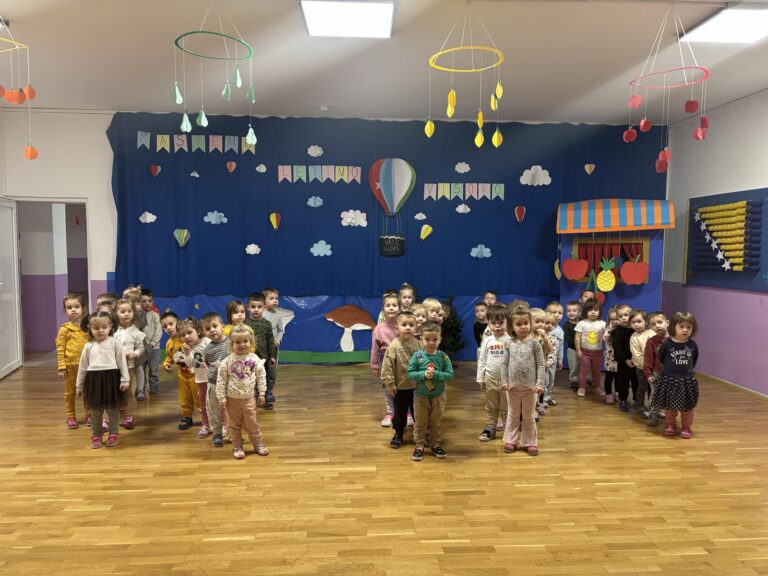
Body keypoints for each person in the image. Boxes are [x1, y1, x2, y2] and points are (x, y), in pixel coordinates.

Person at [76, 312, 130, 449]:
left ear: (110, 327)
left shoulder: (114, 343)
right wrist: (79, 386)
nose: (100, 330)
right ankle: (96, 435)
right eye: (96, 328)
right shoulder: (88, 346)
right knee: (95, 410)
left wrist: (125, 379)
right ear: (90, 328)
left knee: (112, 409)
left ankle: (113, 434)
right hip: (94, 381)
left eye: (104, 327)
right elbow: (82, 367)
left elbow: (122, 362)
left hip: (111, 379)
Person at [215, 325, 270, 459]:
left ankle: (258, 444)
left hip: (249, 399)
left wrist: (262, 393)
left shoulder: (255, 359)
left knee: (252, 424)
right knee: (234, 426)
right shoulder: (226, 362)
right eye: (237, 342)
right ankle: (237, 446)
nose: (242, 344)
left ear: (251, 342)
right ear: (231, 344)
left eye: (245, 341)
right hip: (231, 401)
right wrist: (221, 398)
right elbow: (221, 381)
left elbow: (261, 377)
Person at [501, 306, 545, 456]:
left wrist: (539, 383)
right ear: (512, 326)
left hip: (531, 387)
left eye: (526, 323)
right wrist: (504, 381)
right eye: (518, 324)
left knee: (529, 415)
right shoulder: (508, 343)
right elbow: (504, 364)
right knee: (513, 414)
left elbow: (540, 365)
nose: (523, 327)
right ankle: (511, 440)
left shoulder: (535, 343)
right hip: (512, 387)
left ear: (530, 323)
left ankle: (530, 442)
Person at [407, 321, 453, 461]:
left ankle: (435, 444)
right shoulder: (417, 356)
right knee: (420, 422)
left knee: (436, 422)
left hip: (438, 396)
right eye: (427, 339)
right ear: (421, 339)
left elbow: (450, 374)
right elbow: (410, 373)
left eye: (434, 339)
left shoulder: (443, 357)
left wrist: (437, 375)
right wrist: (423, 375)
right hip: (420, 396)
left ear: (440, 339)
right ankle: (419, 445)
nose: (431, 342)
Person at [650, 312, 699, 438]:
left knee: (687, 407)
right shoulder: (667, 344)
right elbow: (661, 358)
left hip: (686, 380)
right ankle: (670, 425)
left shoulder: (692, 345)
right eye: (681, 326)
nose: (685, 330)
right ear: (673, 327)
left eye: (688, 327)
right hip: (669, 380)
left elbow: (693, 360)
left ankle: (686, 427)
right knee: (670, 407)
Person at [380, 311, 421, 449]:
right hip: (400, 387)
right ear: (397, 328)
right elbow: (387, 366)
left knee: (418, 412)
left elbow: (424, 362)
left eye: (411, 325)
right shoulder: (394, 346)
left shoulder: (418, 345)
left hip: (417, 387)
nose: (408, 327)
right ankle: (398, 433)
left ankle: (420, 434)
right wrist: (390, 384)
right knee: (399, 413)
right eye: (404, 325)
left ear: (416, 328)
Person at [56, 293, 90, 429]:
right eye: (69, 308)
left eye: (76, 306)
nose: (73, 310)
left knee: (88, 390)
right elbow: (60, 348)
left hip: (88, 366)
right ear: (65, 310)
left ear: (84, 308)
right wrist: (61, 367)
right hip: (70, 366)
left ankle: (89, 414)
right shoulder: (65, 329)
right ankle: (70, 416)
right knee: (70, 392)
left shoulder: (88, 328)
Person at [476, 304, 510, 441]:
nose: (497, 326)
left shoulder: (511, 340)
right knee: (491, 406)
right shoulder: (488, 340)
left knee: (507, 407)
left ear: (507, 322)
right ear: (488, 323)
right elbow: (482, 359)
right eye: (493, 323)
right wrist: (480, 378)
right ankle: (490, 427)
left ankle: (509, 429)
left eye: (501, 322)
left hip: (507, 381)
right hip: (490, 379)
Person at [161, 311, 200, 430]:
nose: (168, 328)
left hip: (195, 374)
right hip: (182, 375)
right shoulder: (169, 343)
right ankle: (187, 417)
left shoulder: (185, 337)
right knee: (184, 398)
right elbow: (170, 356)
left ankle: (206, 417)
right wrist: (166, 363)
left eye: (170, 324)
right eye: (165, 326)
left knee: (199, 397)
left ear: (177, 323)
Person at [113, 298, 144, 429]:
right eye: (122, 311)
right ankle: (112, 417)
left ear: (133, 313)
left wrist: (135, 353)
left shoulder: (136, 332)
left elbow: (141, 348)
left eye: (129, 311)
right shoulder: (112, 331)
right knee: (113, 391)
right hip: (113, 367)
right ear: (115, 314)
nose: (126, 314)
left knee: (127, 392)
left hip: (128, 367)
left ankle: (128, 416)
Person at [371, 292, 400, 427]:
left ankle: (408, 412)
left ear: (399, 308)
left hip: (403, 362)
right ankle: (390, 413)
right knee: (389, 387)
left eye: (394, 305)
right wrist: (375, 366)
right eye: (388, 305)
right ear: (383, 310)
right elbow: (374, 349)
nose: (391, 308)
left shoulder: (403, 324)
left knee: (405, 386)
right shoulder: (378, 329)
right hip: (387, 363)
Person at [179, 317, 211, 438]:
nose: (186, 337)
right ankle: (205, 425)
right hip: (200, 380)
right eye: (183, 335)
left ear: (197, 331)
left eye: (189, 332)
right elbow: (190, 364)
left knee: (216, 403)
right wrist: (187, 353)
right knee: (203, 405)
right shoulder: (188, 348)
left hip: (213, 379)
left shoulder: (207, 342)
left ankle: (221, 425)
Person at [202, 313, 230, 447]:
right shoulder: (207, 350)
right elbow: (207, 364)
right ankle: (217, 433)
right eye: (208, 329)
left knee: (232, 410)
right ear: (204, 332)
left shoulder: (231, 343)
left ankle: (233, 432)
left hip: (230, 384)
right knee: (214, 410)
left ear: (223, 326)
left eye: (215, 326)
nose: (212, 330)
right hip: (213, 383)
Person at [245, 292, 277, 409]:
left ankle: (265, 395)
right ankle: (252, 398)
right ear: (248, 307)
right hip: (248, 358)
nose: (256, 310)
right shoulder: (245, 324)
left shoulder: (267, 324)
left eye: (259, 307)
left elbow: (270, 341)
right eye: (253, 307)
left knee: (264, 376)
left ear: (264, 307)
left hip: (264, 358)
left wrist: (272, 356)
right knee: (250, 378)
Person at [574, 299, 606, 398]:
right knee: (583, 371)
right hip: (585, 352)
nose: (593, 312)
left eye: (595, 310)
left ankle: (597, 387)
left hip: (597, 353)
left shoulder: (602, 323)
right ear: (585, 311)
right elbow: (577, 337)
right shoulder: (581, 323)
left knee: (596, 372)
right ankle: (582, 387)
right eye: (590, 310)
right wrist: (578, 350)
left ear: (599, 311)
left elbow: (606, 336)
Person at [643, 312, 669, 427]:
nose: (657, 326)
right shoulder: (651, 341)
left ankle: (670, 417)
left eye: (660, 322)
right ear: (650, 327)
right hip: (657, 374)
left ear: (667, 323)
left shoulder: (674, 340)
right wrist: (648, 374)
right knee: (655, 395)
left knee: (670, 395)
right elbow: (648, 359)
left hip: (672, 375)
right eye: (653, 324)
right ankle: (653, 415)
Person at [629, 309, 655, 417]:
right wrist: (646, 367)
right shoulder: (634, 337)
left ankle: (653, 408)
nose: (636, 324)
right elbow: (637, 355)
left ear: (646, 322)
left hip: (654, 368)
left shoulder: (652, 333)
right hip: (642, 367)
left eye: (639, 321)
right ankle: (640, 407)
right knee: (642, 387)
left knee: (652, 388)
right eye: (633, 322)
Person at [529, 308, 555, 418]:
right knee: (531, 389)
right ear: (529, 322)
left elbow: (550, 350)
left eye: (542, 321)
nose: (541, 324)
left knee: (539, 388)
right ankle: (532, 409)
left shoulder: (544, 336)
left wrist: (545, 338)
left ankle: (537, 405)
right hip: (529, 368)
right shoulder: (527, 336)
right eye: (537, 321)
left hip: (540, 368)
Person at [612, 304, 638, 412]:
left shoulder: (636, 329)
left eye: (626, 315)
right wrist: (625, 359)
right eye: (620, 316)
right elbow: (617, 347)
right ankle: (623, 400)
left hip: (637, 361)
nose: (623, 318)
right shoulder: (617, 331)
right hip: (623, 362)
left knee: (637, 382)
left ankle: (637, 400)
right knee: (623, 382)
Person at [262, 287, 285, 408]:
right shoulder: (260, 314)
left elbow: (281, 330)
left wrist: (278, 339)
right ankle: (259, 391)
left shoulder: (278, 316)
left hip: (273, 348)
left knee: (271, 369)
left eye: (276, 298)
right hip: (261, 347)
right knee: (260, 368)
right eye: (271, 298)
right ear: (264, 301)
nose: (275, 300)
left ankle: (269, 390)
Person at [139, 288, 162, 395]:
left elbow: (158, 331)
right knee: (141, 369)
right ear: (139, 302)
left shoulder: (155, 315)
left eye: (149, 301)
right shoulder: (137, 315)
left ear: (153, 302)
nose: (147, 303)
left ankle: (153, 387)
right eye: (144, 301)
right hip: (141, 349)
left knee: (153, 369)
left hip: (154, 349)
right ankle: (141, 388)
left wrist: (153, 343)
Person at [545, 301, 565, 406]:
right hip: (543, 359)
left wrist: (560, 360)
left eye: (560, 313)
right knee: (544, 379)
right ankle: (542, 398)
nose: (557, 315)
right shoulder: (543, 329)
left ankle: (548, 396)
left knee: (551, 379)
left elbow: (560, 347)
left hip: (553, 359)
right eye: (554, 312)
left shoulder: (560, 331)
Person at [602, 306, 620, 405]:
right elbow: (606, 339)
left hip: (620, 358)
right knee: (609, 377)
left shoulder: (623, 329)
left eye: (616, 319)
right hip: (610, 358)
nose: (614, 321)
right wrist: (611, 329)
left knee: (619, 377)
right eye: (612, 319)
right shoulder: (608, 329)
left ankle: (617, 393)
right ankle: (608, 394)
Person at [563, 301, 581, 391]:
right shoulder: (567, 325)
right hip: (572, 349)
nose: (571, 313)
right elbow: (566, 337)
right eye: (569, 311)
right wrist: (576, 342)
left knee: (583, 365)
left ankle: (587, 379)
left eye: (574, 311)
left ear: (579, 312)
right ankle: (574, 381)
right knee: (573, 366)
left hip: (583, 349)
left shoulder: (582, 322)